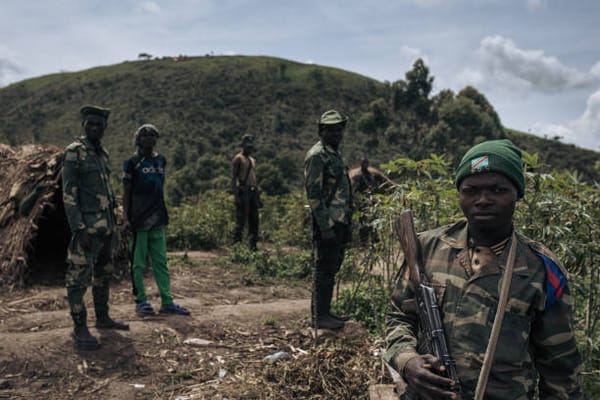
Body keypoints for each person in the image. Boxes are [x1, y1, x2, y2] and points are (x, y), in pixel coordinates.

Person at [384, 139, 582, 399]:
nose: (483, 200)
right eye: (471, 190)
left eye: (498, 190)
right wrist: (408, 362)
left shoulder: (542, 269)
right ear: (460, 194)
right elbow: (399, 316)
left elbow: (560, 367)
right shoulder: (426, 247)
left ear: (517, 194)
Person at [62, 105, 129, 350]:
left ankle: (103, 318)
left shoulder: (103, 154)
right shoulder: (74, 153)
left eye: (98, 124)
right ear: (83, 125)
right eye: (89, 123)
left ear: (105, 128)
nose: (94, 128)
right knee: (78, 277)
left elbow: (108, 192)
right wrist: (79, 229)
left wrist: (116, 223)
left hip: (107, 227)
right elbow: (68, 194)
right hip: (87, 227)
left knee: (104, 273)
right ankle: (79, 327)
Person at [122, 124, 190, 317]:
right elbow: (126, 193)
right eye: (144, 135)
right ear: (138, 139)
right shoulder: (132, 163)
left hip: (158, 218)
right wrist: (125, 218)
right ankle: (141, 301)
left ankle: (167, 302)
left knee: (161, 262)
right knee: (138, 263)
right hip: (138, 220)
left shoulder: (161, 160)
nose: (149, 138)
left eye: (153, 135)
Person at [304, 109, 353, 330]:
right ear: (321, 131)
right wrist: (325, 226)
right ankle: (319, 316)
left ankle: (325, 311)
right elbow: (313, 194)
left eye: (338, 129)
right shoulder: (317, 155)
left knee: (332, 267)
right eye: (330, 130)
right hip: (328, 223)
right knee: (324, 267)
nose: (335, 133)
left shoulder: (333, 153)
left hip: (340, 219)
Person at [350, 156, 395, 245]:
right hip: (362, 201)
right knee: (363, 222)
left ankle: (375, 240)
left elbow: (385, 182)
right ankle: (364, 242)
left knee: (374, 221)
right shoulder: (357, 175)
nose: (365, 165)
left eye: (366, 163)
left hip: (372, 200)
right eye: (364, 163)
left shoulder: (371, 173)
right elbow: (353, 188)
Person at [231, 134, 261, 251]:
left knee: (254, 219)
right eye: (247, 147)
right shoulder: (238, 159)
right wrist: (236, 196)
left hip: (253, 191)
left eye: (251, 147)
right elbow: (234, 178)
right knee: (241, 219)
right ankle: (236, 246)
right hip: (244, 191)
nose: (249, 149)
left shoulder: (253, 160)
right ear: (243, 146)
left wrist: (258, 196)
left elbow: (254, 178)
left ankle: (253, 245)